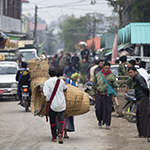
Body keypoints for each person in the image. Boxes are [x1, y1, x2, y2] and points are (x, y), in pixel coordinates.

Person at [91, 62, 118, 129]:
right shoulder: (98, 75)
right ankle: (99, 120)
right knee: (98, 108)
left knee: (108, 110)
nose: (106, 69)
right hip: (99, 95)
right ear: (103, 68)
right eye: (105, 68)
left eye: (108, 68)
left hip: (108, 95)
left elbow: (115, 86)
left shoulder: (112, 75)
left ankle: (107, 123)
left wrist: (114, 95)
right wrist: (93, 94)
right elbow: (94, 85)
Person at [43, 69, 67, 144]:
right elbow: (65, 88)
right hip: (61, 103)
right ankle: (60, 134)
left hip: (52, 104)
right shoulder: (61, 81)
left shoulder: (47, 83)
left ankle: (54, 137)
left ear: (49, 74)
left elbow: (46, 94)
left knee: (52, 121)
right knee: (62, 120)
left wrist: (48, 100)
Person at [128, 67, 149, 138]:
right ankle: (141, 133)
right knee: (139, 116)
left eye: (131, 72)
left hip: (143, 99)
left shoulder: (138, 78)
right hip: (139, 99)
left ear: (135, 71)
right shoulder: (134, 79)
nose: (130, 74)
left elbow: (145, 88)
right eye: (129, 73)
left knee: (143, 117)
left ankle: (144, 133)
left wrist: (146, 95)